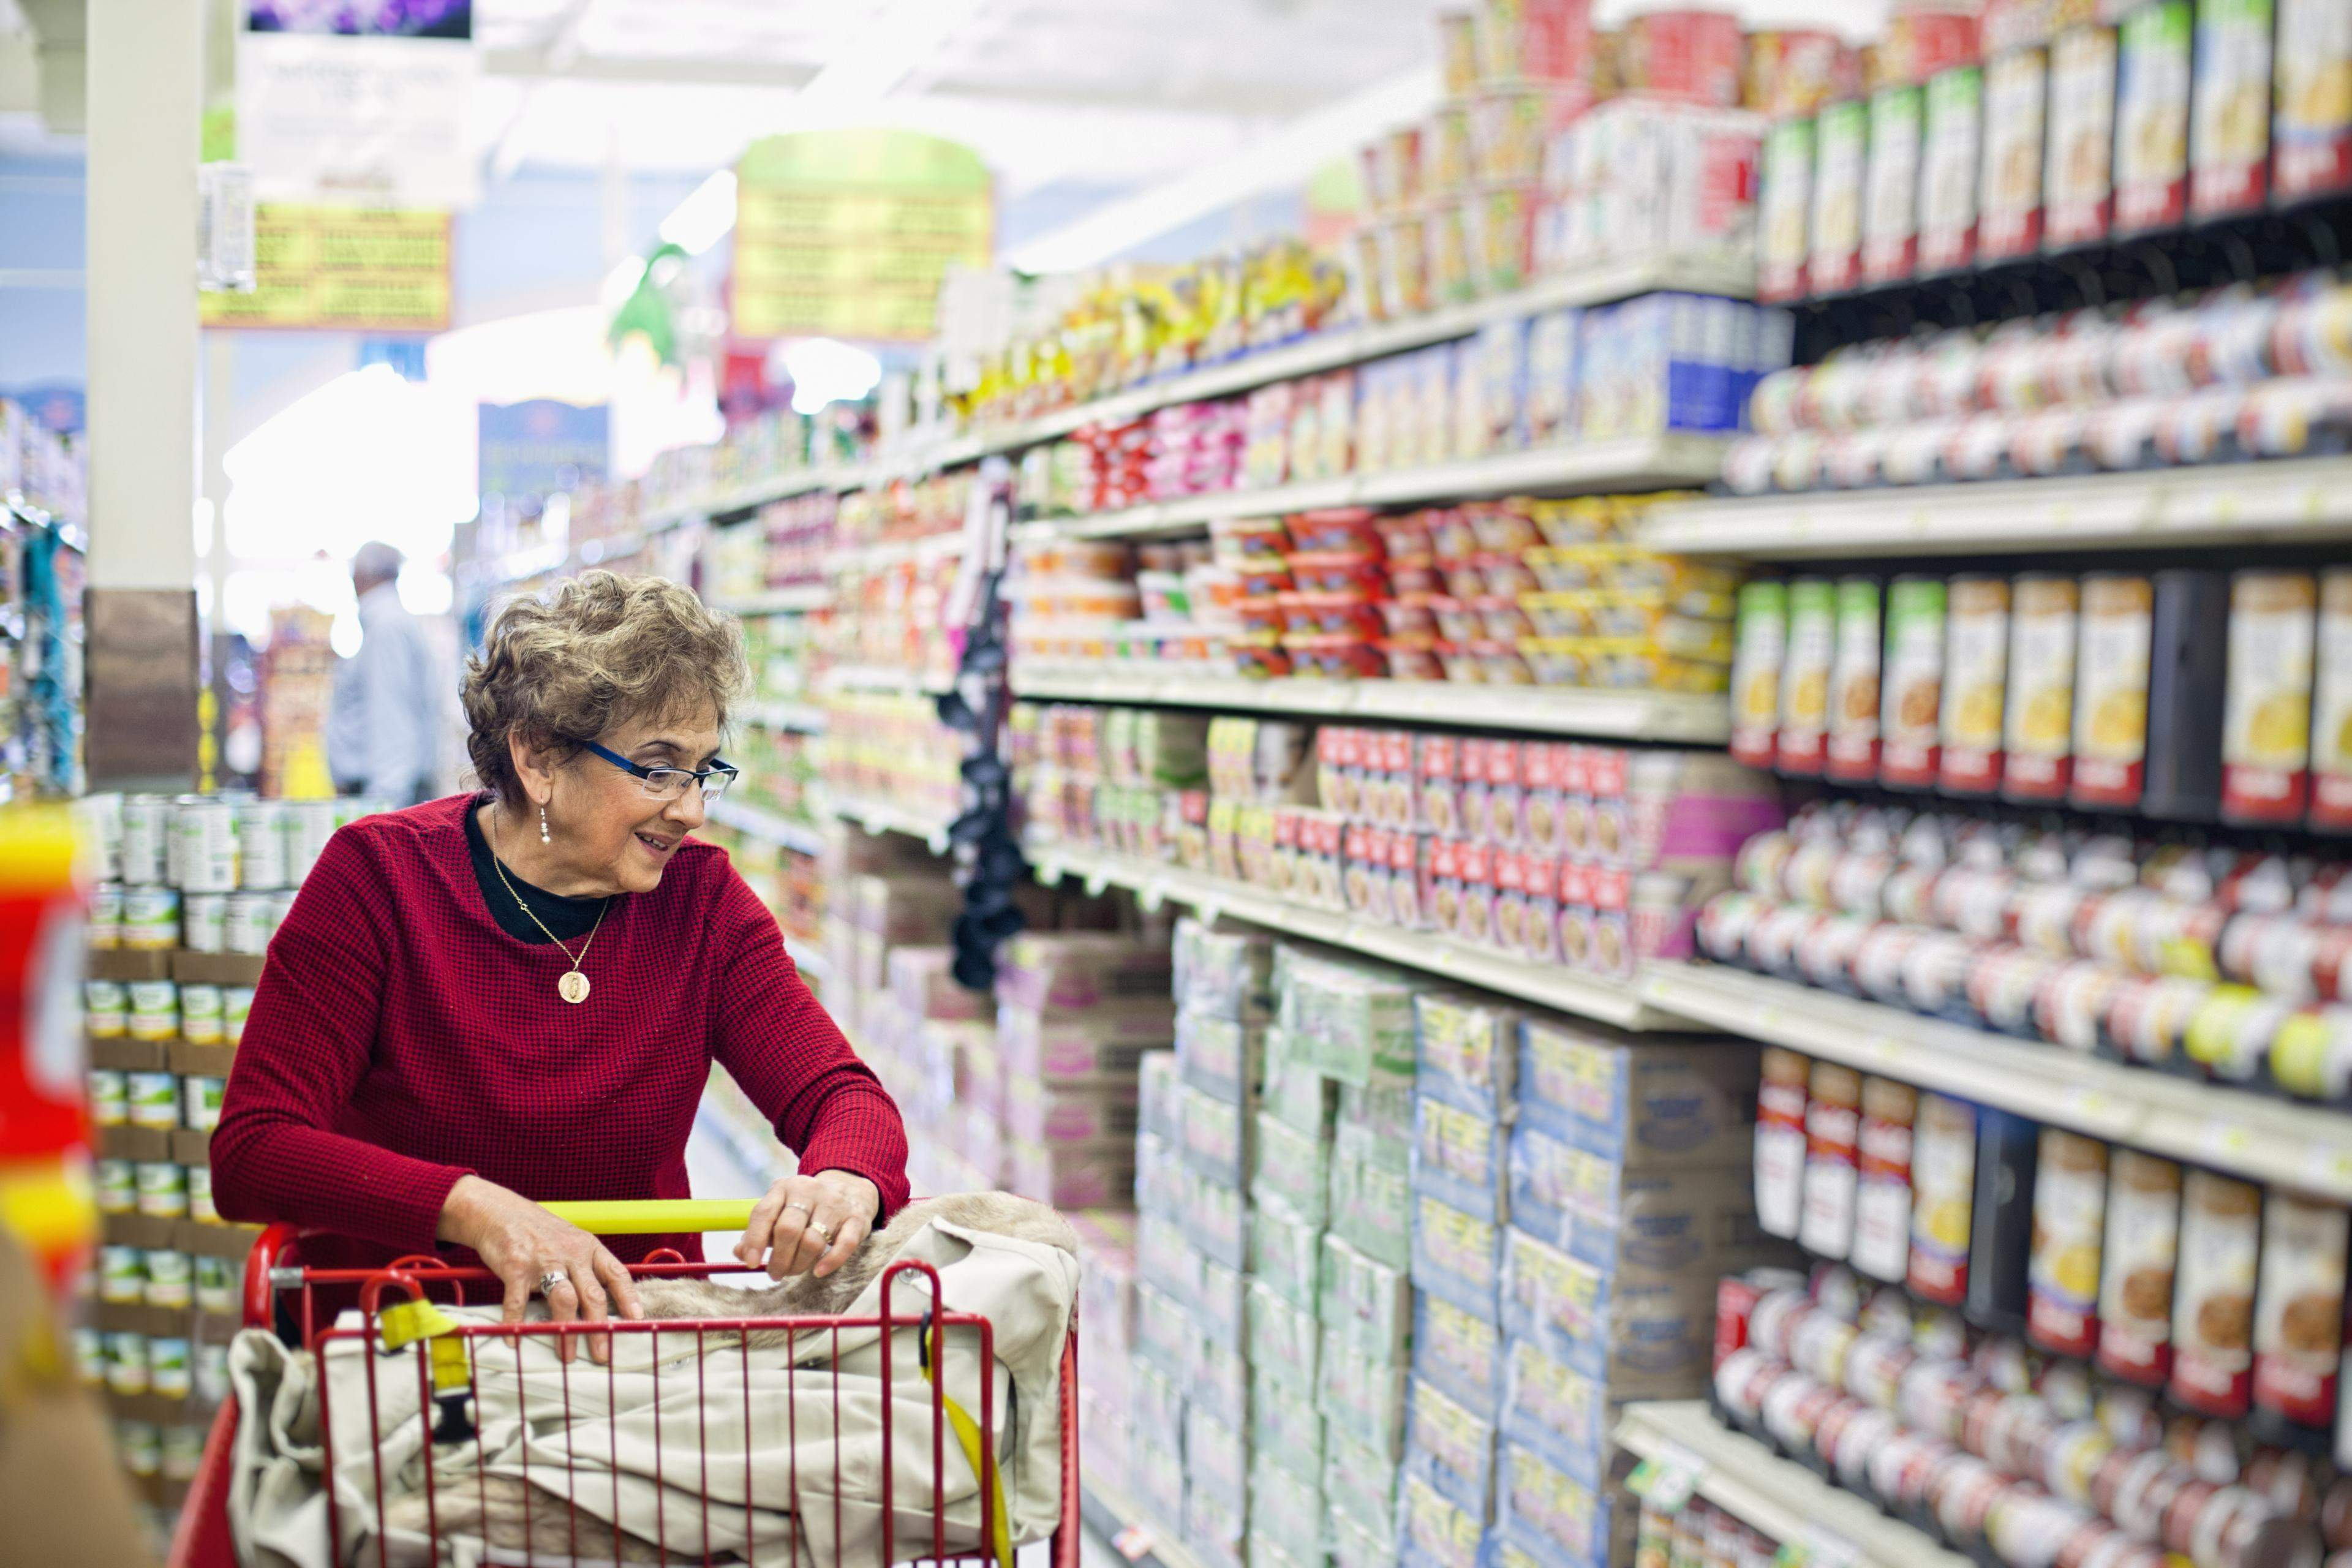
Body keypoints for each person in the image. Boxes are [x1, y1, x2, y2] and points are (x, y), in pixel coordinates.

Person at [212, 571, 909, 1360]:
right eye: (657, 768)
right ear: (539, 759)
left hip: (625, 1351)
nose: (691, 809)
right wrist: (478, 1210)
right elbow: (256, 1147)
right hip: (407, 1342)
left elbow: (841, 1093)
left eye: (704, 770)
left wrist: (844, 1176)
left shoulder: (702, 904)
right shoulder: (379, 880)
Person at [327, 540, 443, 805]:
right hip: (386, 792)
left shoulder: (386, 629)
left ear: (360, 576)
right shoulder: (389, 623)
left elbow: (392, 719)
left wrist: (382, 813)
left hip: (384, 794)